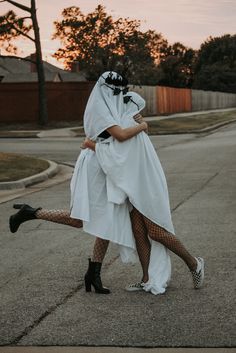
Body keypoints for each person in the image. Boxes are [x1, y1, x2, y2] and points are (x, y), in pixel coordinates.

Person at [9, 71, 151, 295]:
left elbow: (130, 112)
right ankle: (31, 212)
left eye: (122, 91)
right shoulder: (99, 108)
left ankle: (93, 274)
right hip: (94, 167)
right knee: (79, 218)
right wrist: (143, 126)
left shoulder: (111, 105)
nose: (119, 95)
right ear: (105, 89)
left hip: (107, 164)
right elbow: (121, 135)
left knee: (107, 218)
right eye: (116, 91)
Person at [83, 82, 205, 292]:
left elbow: (116, 157)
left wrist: (90, 145)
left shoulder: (131, 125)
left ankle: (194, 264)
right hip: (134, 189)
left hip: (146, 187)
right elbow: (118, 151)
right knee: (139, 232)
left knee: (157, 232)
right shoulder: (128, 125)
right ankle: (147, 278)